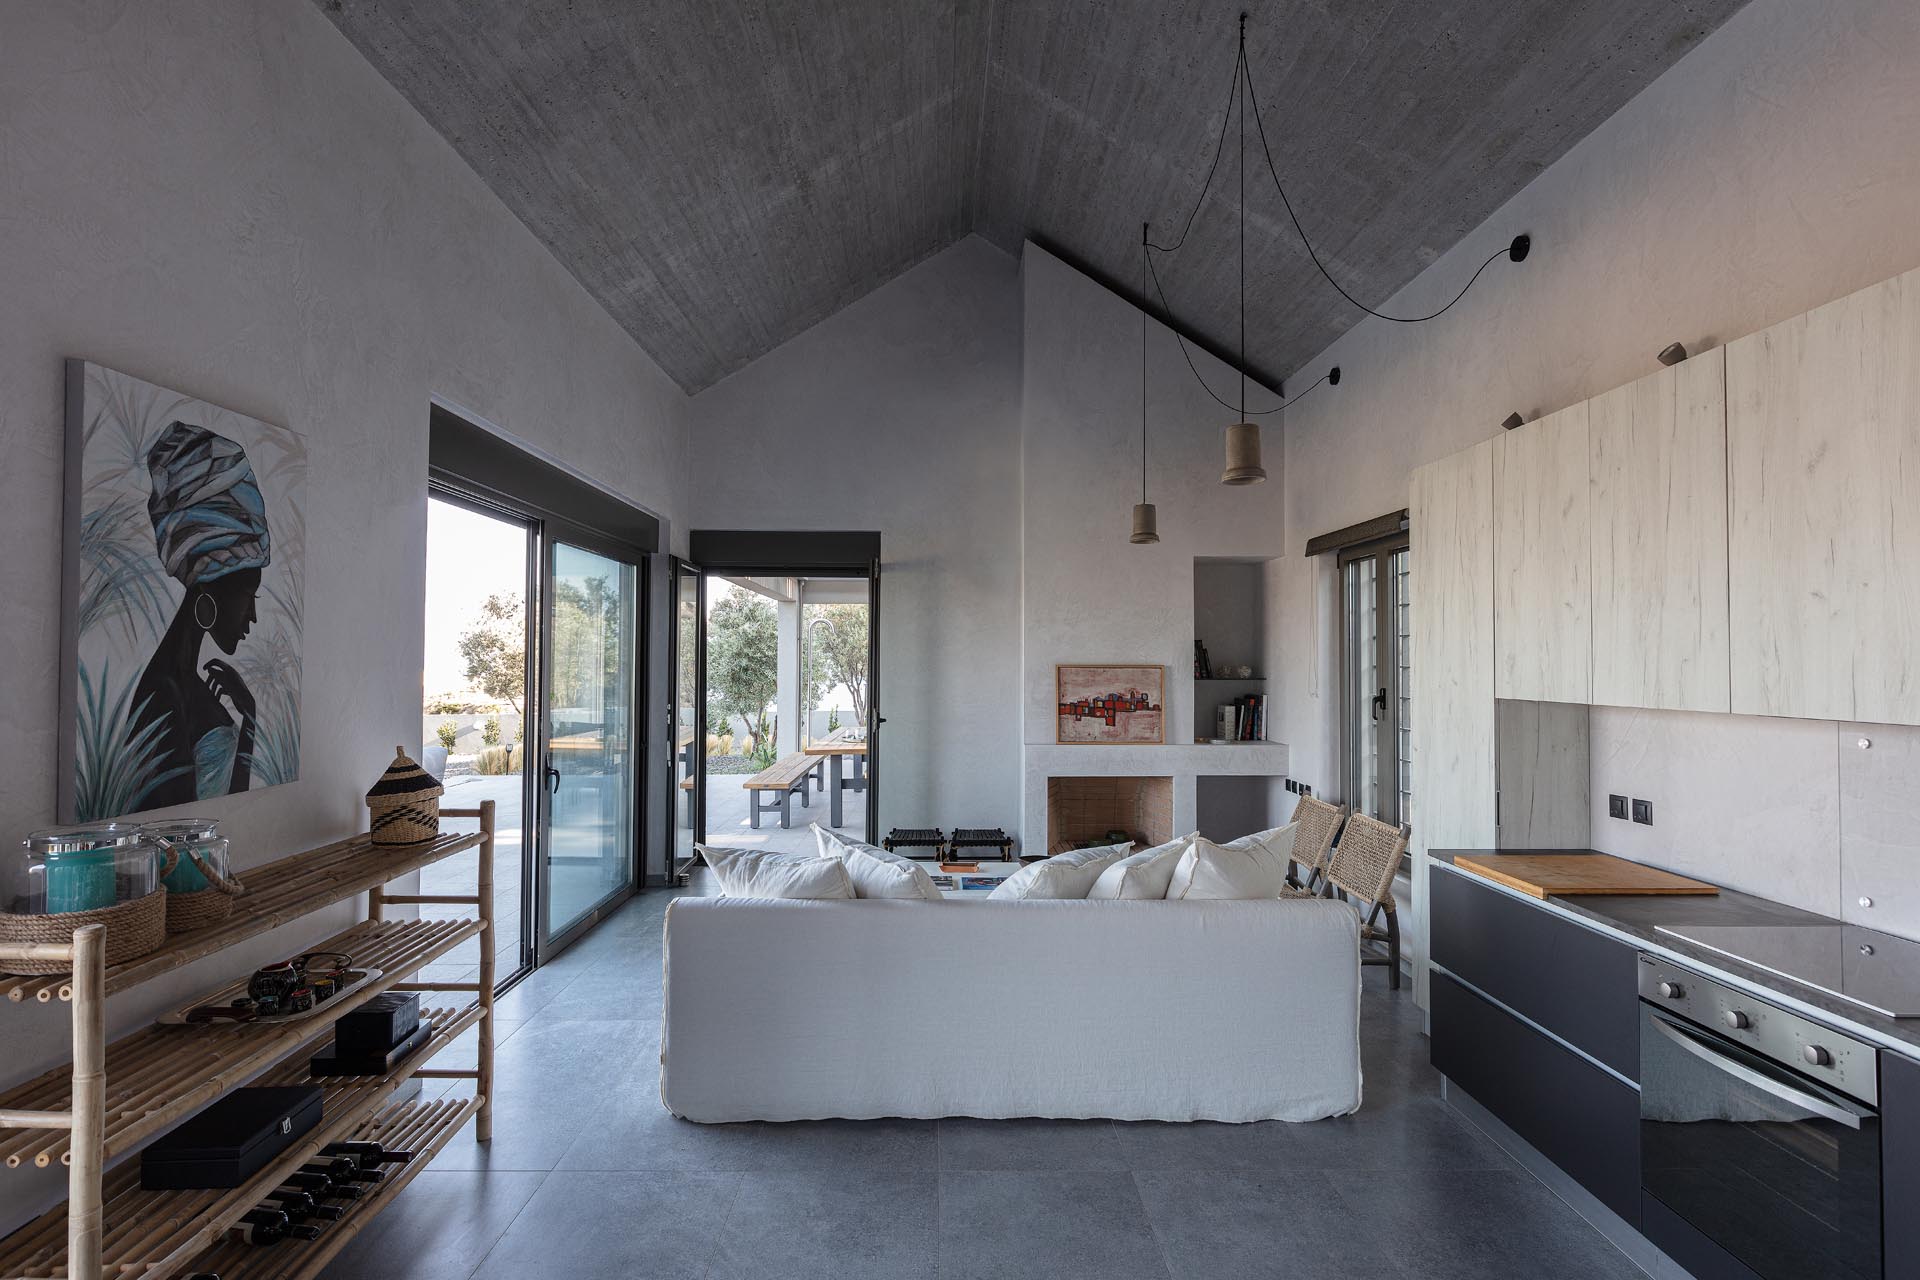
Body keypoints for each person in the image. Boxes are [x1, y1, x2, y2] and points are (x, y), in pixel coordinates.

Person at [129, 421, 271, 805]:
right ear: (207, 594)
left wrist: (251, 721)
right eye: (247, 597)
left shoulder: (179, 683)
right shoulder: (165, 695)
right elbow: (184, 831)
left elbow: (227, 808)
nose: (252, 617)